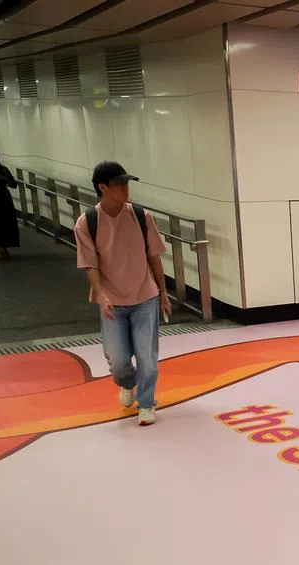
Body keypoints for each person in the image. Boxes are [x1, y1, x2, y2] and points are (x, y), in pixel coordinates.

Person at [75, 161, 172, 426]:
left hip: (145, 296)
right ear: (102, 187)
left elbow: (154, 258)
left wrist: (163, 293)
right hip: (111, 302)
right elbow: (89, 265)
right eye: (119, 185)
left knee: (147, 358)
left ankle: (147, 403)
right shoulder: (88, 222)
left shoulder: (142, 217)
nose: (126, 190)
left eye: (127, 184)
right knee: (118, 361)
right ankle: (127, 383)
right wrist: (103, 295)